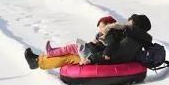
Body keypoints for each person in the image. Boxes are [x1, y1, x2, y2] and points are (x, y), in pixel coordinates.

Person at [24, 14, 152, 70]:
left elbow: (109, 54)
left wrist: (91, 58)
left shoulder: (130, 39)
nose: (126, 23)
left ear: (135, 25)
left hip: (99, 61)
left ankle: (38, 62)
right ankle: (39, 59)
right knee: (71, 53)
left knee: (69, 57)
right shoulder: (133, 37)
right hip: (97, 56)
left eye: (130, 22)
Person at [44, 16, 117, 61]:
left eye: (102, 27)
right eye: (100, 27)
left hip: (90, 53)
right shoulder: (100, 34)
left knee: (71, 47)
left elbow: (109, 46)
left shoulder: (109, 37)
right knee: (74, 42)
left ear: (109, 27)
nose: (100, 29)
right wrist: (92, 43)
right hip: (89, 48)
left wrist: (93, 44)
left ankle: (51, 53)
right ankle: (54, 50)